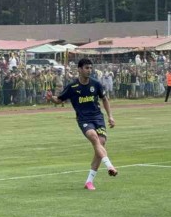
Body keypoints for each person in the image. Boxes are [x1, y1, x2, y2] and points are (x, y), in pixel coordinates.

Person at [46, 58, 118, 190]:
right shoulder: (72, 87)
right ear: (79, 69)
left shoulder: (96, 84)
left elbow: (104, 99)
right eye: (86, 68)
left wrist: (110, 116)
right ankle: (110, 166)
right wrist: (51, 99)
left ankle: (89, 182)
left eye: (90, 68)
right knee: (94, 137)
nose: (89, 70)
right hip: (84, 119)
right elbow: (59, 100)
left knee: (100, 143)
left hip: (98, 118)